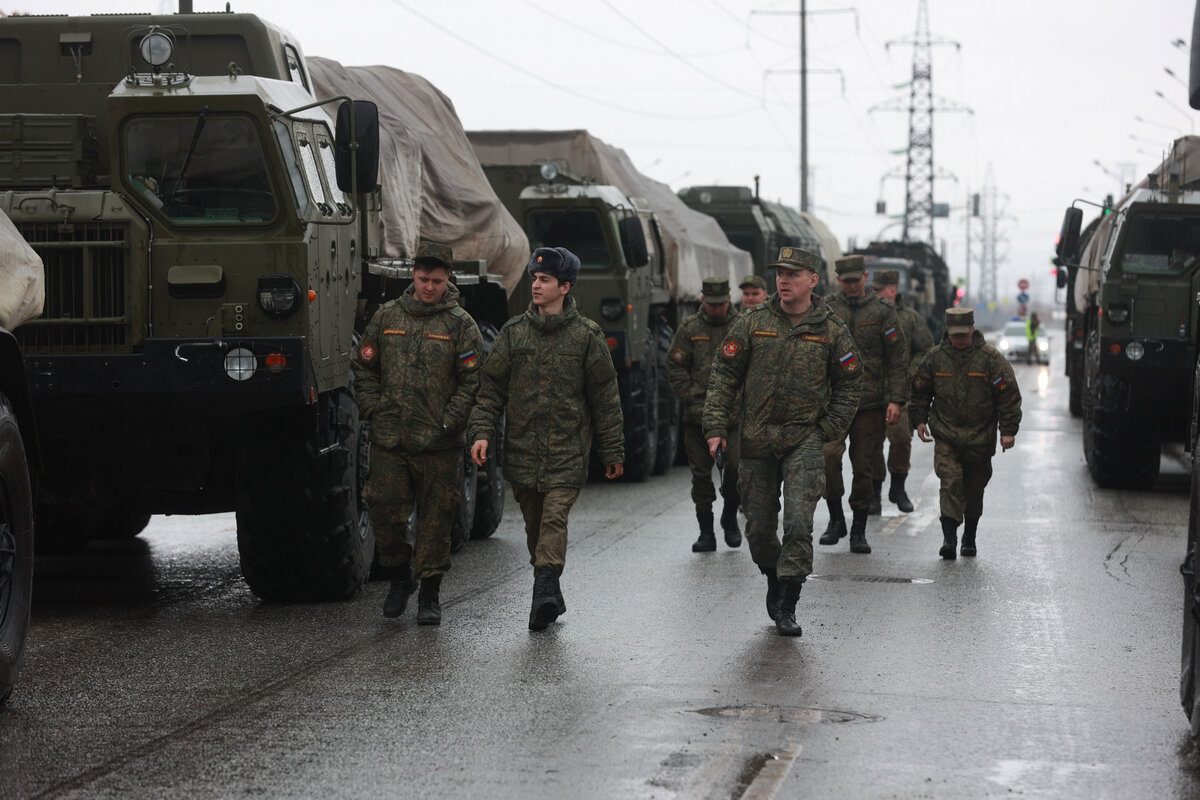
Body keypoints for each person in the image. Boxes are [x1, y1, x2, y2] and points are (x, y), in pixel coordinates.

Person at [704, 246, 861, 637]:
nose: (784, 280)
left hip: (803, 439)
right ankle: (774, 575)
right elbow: (724, 373)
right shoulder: (753, 321)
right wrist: (716, 426)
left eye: (793, 274)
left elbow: (850, 381)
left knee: (798, 523)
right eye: (779, 273)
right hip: (756, 439)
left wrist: (828, 429)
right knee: (757, 528)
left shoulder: (831, 329)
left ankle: (789, 600)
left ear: (813, 280)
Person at [469, 246, 624, 631]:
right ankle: (550, 589)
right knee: (536, 528)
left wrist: (613, 449)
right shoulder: (513, 333)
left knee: (554, 519)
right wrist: (482, 433)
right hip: (522, 453)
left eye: (545, 280)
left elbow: (605, 397)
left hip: (568, 452)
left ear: (565, 287)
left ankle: (542, 591)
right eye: (534, 279)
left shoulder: (586, 336)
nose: (536, 285)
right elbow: (490, 390)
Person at [352, 240, 485, 625]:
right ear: (413, 276)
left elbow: (473, 380)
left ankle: (430, 593)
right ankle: (399, 576)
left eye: (437, 281)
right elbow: (364, 368)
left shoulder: (460, 324)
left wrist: (451, 420)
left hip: (439, 444)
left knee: (436, 520)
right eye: (424, 279)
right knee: (384, 510)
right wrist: (374, 409)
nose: (430, 287)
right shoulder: (387, 317)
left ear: (448, 280)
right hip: (391, 440)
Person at [909, 307, 1022, 559]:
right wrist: (918, 420)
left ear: (972, 329)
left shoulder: (990, 359)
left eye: (963, 335)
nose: (959, 340)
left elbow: (1008, 397)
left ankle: (969, 536)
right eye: (954, 335)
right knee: (949, 482)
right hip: (946, 434)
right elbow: (920, 391)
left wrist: (1008, 430)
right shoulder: (935, 358)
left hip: (980, 437)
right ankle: (949, 538)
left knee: (974, 489)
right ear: (947, 331)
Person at [818, 255, 908, 553]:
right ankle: (835, 519)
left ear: (866, 277)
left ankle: (858, 530)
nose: (852, 285)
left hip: (870, 403)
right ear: (838, 280)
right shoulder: (828, 309)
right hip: (833, 402)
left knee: (863, 467)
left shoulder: (883, 311)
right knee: (828, 458)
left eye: (857, 280)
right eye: (847, 281)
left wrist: (896, 399)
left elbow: (897, 359)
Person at [667, 277, 742, 552]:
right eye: (711, 304)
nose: (716, 309)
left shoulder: (741, 326)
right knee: (700, 474)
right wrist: (690, 397)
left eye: (721, 304)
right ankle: (706, 531)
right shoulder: (690, 328)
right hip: (697, 417)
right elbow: (675, 365)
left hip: (733, 417)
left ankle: (730, 514)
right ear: (702, 301)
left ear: (729, 299)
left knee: (735, 470)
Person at [870, 270, 933, 513]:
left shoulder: (909, 319)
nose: (873, 294)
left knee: (900, 439)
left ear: (892, 290)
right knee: (872, 445)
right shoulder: (868, 316)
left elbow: (926, 349)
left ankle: (898, 487)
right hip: (872, 393)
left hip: (900, 393)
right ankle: (874, 494)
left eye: (878, 290)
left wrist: (909, 371)